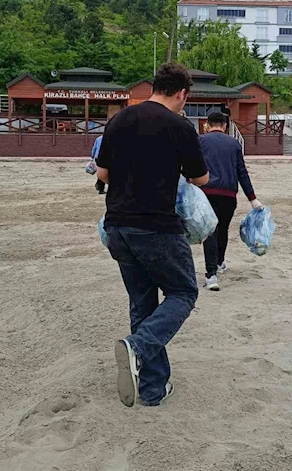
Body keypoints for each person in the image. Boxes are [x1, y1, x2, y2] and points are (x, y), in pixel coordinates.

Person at [96, 62, 209, 407]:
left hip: (117, 227)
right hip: (157, 227)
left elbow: (102, 173)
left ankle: (152, 389)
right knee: (183, 292)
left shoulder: (119, 120)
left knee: (142, 303)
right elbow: (201, 178)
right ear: (182, 93)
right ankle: (138, 346)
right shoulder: (179, 126)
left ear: (155, 87)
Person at [199, 112, 263, 291]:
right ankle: (219, 262)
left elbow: (193, 167)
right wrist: (252, 199)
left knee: (210, 232)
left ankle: (211, 275)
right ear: (225, 126)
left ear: (207, 124)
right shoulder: (234, 144)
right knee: (223, 229)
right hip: (228, 195)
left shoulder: (200, 141)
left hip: (206, 193)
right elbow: (242, 172)